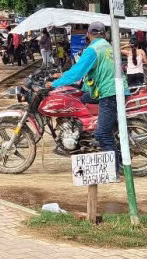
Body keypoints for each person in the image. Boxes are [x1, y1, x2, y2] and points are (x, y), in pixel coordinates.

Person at [50, 22, 123, 172]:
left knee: (103, 133)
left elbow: (77, 73)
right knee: (80, 100)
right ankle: (84, 133)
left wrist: (54, 84)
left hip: (109, 92)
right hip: (113, 88)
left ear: (88, 35)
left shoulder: (92, 50)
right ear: (104, 34)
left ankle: (114, 171)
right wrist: (63, 75)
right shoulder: (107, 46)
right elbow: (82, 69)